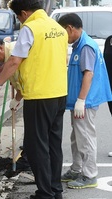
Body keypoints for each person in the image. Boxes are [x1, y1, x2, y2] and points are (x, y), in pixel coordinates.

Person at [0, 0, 68, 198]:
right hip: (59, 94)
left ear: (24, 13)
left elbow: (14, 60)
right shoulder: (58, 28)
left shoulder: (30, 28)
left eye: (18, 16)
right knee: (53, 144)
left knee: (36, 145)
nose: (19, 20)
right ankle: (55, 190)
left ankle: (45, 193)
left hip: (39, 95)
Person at [57, 13, 112, 189]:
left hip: (85, 103)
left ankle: (89, 175)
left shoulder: (86, 46)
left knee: (85, 138)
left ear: (70, 28)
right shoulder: (79, 45)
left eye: (63, 31)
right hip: (80, 102)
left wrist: (81, 100)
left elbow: (88, 74)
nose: (63, 36)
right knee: (77, 137)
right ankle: (76, 169)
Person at [0, 36, 31, 173]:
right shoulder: (8, 57)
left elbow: (25, 81)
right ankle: (27, 158)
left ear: (0, 48)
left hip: (38, 94)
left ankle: (29, 161)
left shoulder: (16, 52)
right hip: (31, 94)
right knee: (31, 128)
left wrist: (16, 98)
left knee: (35, 130)